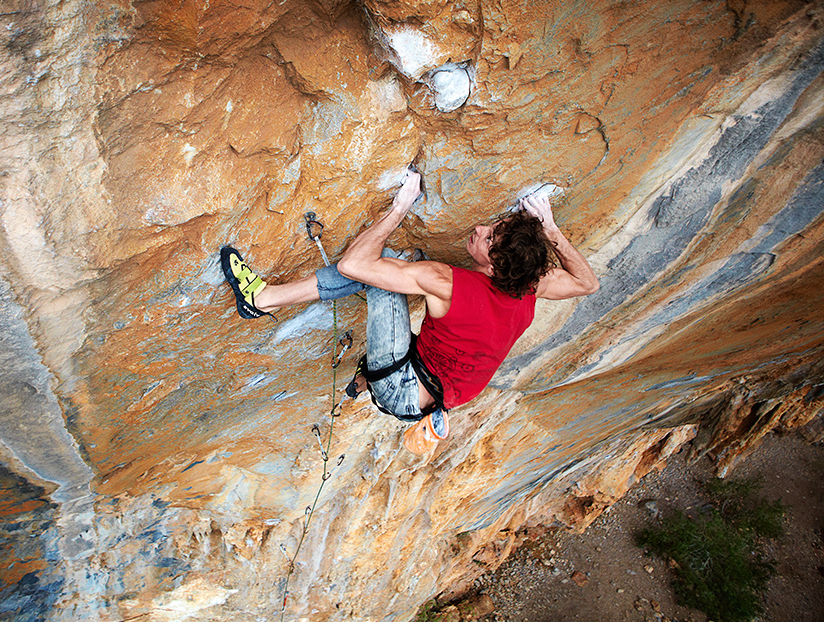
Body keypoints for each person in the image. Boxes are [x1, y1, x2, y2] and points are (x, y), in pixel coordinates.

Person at [221, 166, 599, 452]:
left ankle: (260, 299)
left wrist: (401, 205)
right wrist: (551, 231)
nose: (480, 228)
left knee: (383, 267)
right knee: (398, 278)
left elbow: (357, 265)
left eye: (488, 237)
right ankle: (366, 376)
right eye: (492, 226)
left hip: (401, 385)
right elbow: (587, 283)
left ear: (497, 266)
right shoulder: (528, 285)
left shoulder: (448, 281)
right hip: (431, 394)